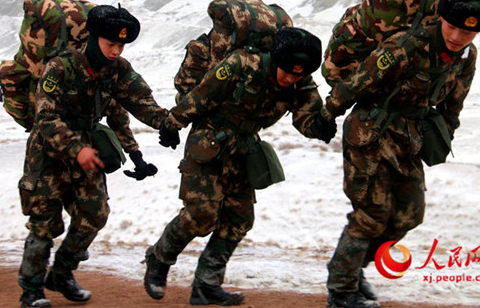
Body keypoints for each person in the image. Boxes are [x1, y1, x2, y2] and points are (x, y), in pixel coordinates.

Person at [320, 0, 480, 308]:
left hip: (409, 139)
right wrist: (327, 114)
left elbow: (453, 106)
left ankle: (352, 266)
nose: (458, 37)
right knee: (371, 214)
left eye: (468, 32)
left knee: (409, 215)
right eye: (453, 27)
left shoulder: (465, 57)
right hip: (370, 131)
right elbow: (359, 82)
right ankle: (341, 291)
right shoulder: (408, 45)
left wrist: (442, 137)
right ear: (441, 18)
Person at [144, 26, 337, 306]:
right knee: (201, 215)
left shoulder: (300, 83)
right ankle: (159, 258)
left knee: (239, 219)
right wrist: (173, 124)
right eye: (287, 71)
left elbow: (306, 118)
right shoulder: (242, 64)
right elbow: (201, 95)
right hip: (208, 143)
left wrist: (320, 127)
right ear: (275, 59)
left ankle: (206, 285)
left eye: (298, 74)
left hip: (243, 150)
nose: (290, 78)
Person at [17, 4, 168, 308]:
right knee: (44, 223)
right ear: (94, 37)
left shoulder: (118, 69)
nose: (116, 51)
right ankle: (31, 291)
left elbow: (135, 106)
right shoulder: (61, 67)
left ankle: (61, 273)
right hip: (49, 153)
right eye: (111, 43)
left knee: (95, 214)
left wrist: (167, 125)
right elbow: (45, 118)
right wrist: (77, 149)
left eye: (121, 45)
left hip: (87, 149)